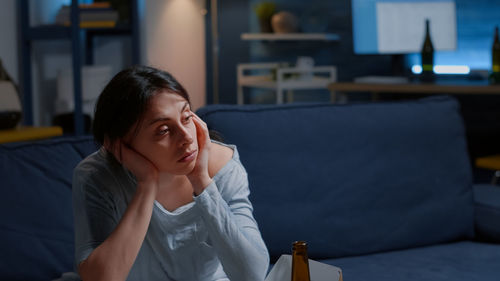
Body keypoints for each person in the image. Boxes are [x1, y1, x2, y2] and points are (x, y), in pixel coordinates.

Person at [72, 65, 270, 281]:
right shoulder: (97, 176)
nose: (186, 137)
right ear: (119, 145)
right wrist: (146, 186)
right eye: (163, 130)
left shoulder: (222, 166)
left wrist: (202, 182)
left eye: (186, 117)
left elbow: (253, 275)